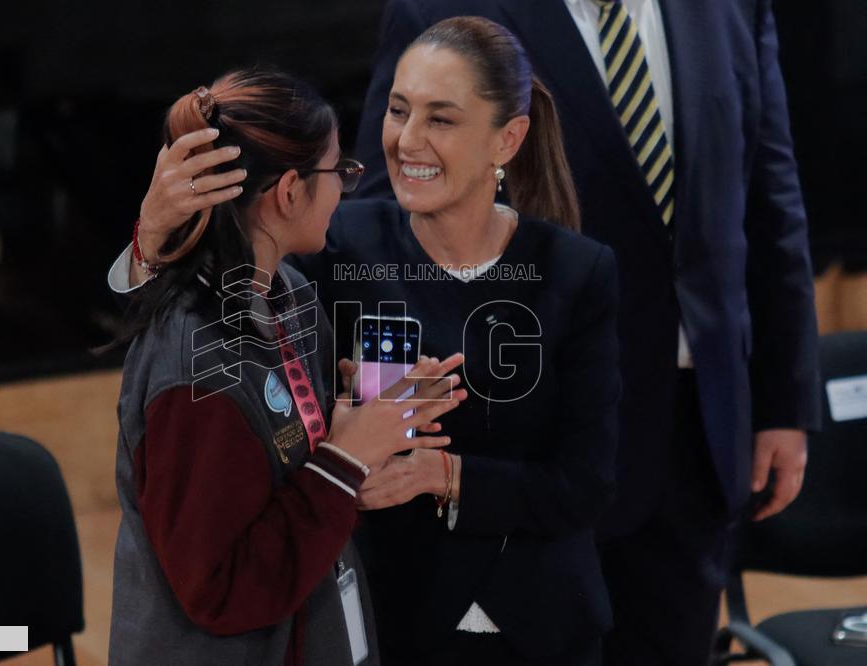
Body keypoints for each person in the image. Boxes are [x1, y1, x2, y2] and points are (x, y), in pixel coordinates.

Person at [111, 17, 621, 665]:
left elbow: (587, 482)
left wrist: (442, 472)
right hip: (385, 616)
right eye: (398, 109)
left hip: (539, 622)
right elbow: (201, 308)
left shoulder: (578, 270)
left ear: (508, 138)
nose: (406, 140)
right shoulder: (331, 242)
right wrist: (151, 240)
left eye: (440, 118)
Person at [350, 1, 822, 665]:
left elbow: (771, 201)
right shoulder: (439, 9)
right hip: (517, 445)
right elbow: (379, 218)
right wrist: (389, 408)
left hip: (697, 434)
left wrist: (784, 399)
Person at [109, 67, 468, 666]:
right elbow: (219, 591)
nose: (346, 188)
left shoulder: (289, 293)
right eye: (338, 172)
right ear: (290, 191)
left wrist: (366, 419)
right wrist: (343, 460)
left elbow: (278, 457)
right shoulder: (195, 371)